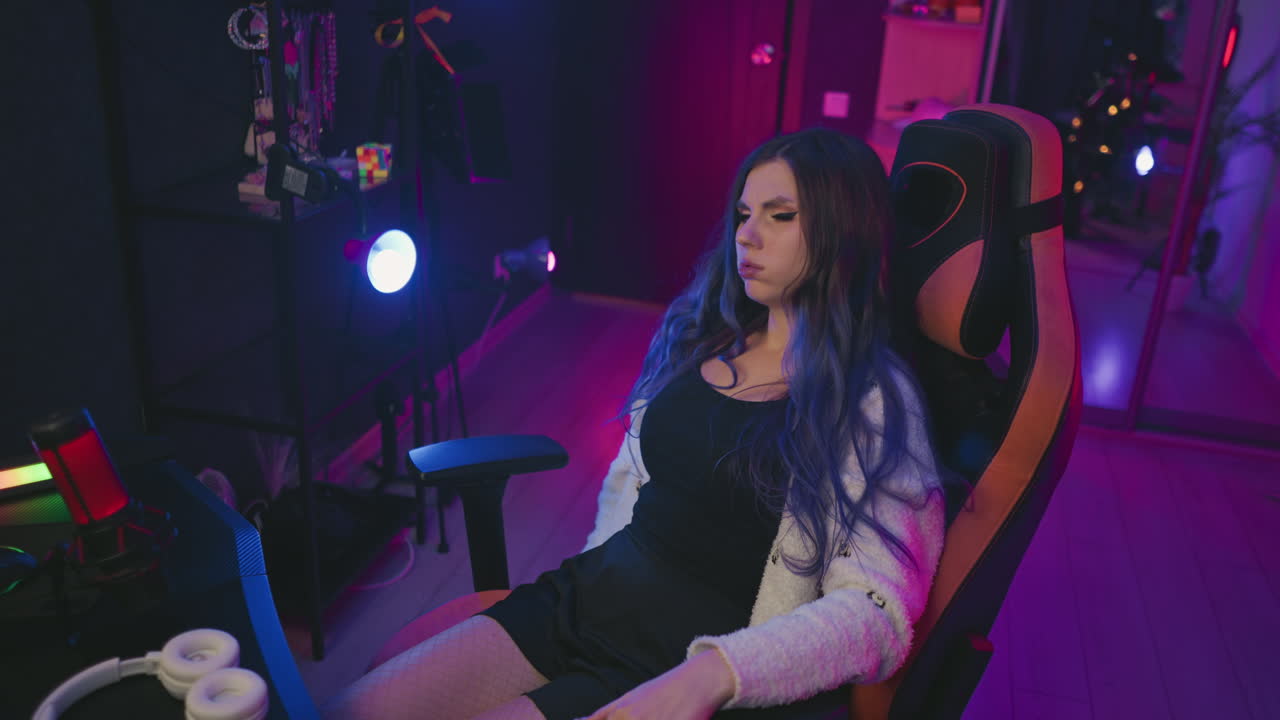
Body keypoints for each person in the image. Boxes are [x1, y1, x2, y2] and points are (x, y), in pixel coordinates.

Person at [323, 128, 948, 720]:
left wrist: (711, 674)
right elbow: (630, 489)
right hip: (581, 601)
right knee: (356, 711)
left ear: (842, 231)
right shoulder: (705, 335)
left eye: (780, 216)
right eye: (743, 214)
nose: (747, 235)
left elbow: (876, 612)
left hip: (670, 664)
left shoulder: (871, 400)